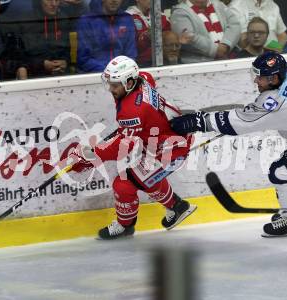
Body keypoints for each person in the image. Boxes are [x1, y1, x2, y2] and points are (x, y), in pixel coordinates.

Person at [170, 51, 287, 237]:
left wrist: (198, 121)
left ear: (274, 77)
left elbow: (239, 121)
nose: (256, 81)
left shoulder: (277, 102)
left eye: (261, 78)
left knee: (280, 172)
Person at [71, 56, 197, 240]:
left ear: (130, 82)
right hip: (166, 140)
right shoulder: (142, 79)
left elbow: (123, 147)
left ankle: (125, 226)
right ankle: (178, 207)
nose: (110, 89)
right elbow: (148, 86)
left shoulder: (132, 111)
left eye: (115, 85)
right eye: (109, 83)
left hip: (170, 149)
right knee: (147, 178)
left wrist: (91, 157)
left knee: (124, 184)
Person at [170, 0, 240, 63]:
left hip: (229, 58)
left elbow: (234, 25)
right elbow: (188, 37)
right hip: (198, 64)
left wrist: (226, 44)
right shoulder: (179, 12)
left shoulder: (218, 4)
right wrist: (215, 50)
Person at [76, 0, 137, 73]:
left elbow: (131, 54)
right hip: (94, 75)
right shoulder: (87, 21)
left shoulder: (127, 19)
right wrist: (109, 71)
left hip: (122, 74)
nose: (114, 1)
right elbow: (83, 59)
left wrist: (122, 69)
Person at [19, 0, 74, 77]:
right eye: (49, 0)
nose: (54, 4)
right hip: (35, 73)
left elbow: (68, 49)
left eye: (57, 0)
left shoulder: (64, 19)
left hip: (61, 72)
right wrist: (41, 64)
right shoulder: (27, 21)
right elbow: (21, 56)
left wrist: (65, 62)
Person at [126, 0, 171, 67]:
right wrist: (146, 37)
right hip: (138, 63)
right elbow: (128, 45)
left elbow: (169, 40)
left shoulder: (162, 17)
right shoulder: (127, 17)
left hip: (162, 61)